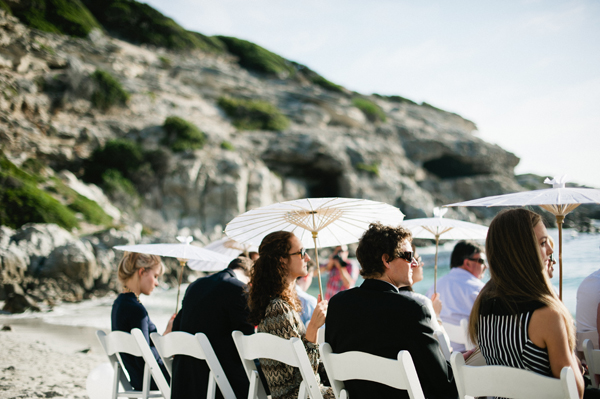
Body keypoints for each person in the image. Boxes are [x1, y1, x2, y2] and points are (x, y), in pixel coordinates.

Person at [326, 223, 458, 399]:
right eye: (408, 256)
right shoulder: (413, 310)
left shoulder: (337, 304)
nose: (414, 263)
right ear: (386, 260)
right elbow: (443, 384)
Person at [468, 208, 585, 398]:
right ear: (521, 252)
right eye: (543, 243)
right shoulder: (546, 316)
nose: (551, 250)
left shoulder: (483, 304)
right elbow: (575, 391)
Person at [247, 231, 333, 399]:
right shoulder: (278, 309)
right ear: (282, 260)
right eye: (301, 252)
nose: (307, 257)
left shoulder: (276, 304)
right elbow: (303, 373)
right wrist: (313, 328)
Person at [171, 257, 256, 399]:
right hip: (217, 383)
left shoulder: (195, 285)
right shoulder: (240, 288)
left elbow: (177, 327)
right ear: (251, 280)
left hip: (184, 379)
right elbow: (247, 345)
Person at [111, 252, 174, 391]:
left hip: (137, 379)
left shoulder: (119, 304)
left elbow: (142, 349)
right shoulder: (136, 310)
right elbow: (146, 358)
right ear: (142, 272)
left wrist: (166, 333)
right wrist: (166, 343)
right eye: (155, 276)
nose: (157, 283)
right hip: (151, 379)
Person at [426, 240, 486, 351]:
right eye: (481, 261)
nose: (485, 266)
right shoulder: (480, 290)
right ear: (467, 263)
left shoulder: (434, 287)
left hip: (444, 353)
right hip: (472, 357)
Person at [399, 248, 446, 338]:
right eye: (418, 259)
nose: (419, 264)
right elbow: (443, 346)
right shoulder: (420, 302)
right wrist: (436, 315)